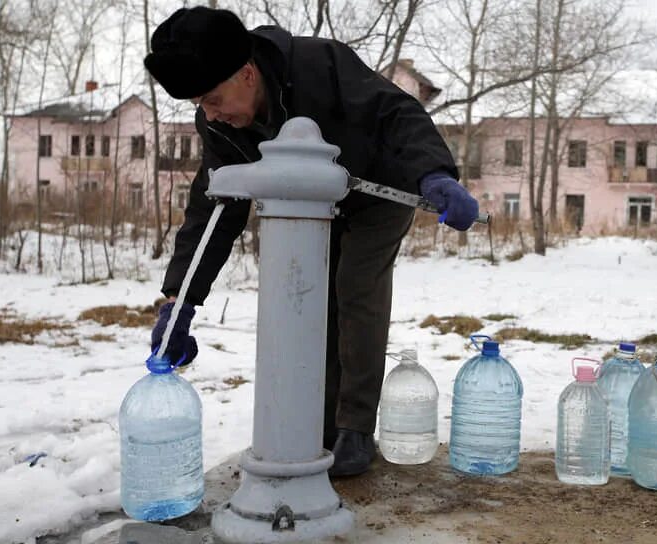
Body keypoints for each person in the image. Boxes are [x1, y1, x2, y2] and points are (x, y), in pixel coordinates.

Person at [144, 6, 479, 477]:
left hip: (377, 193)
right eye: (199, 103)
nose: (209, 112)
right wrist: (179, 302)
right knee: (310, 302)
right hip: (306, 207)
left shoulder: (321, 65)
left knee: (355, 286)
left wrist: (436, 174)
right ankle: (319, 426)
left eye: (213, 98)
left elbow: (396, 112)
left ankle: (354, 430)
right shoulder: (219, 125)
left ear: (246, 73)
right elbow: (213, 211)